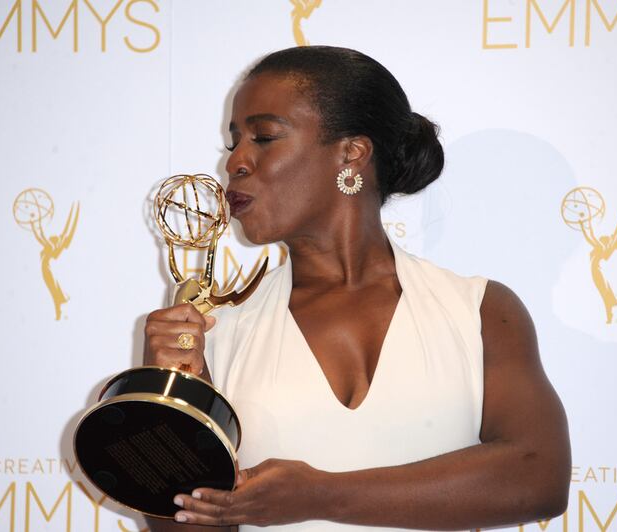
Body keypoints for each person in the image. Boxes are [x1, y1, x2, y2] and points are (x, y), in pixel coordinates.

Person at [142, 46, 570, 531]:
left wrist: (320, 495)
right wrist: (165, 405)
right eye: (233, 142)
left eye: (263, 137)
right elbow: (189, 522)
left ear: (353, 152)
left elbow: (539, 479)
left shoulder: (480, 311)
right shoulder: (215, 330)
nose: (235, 162)